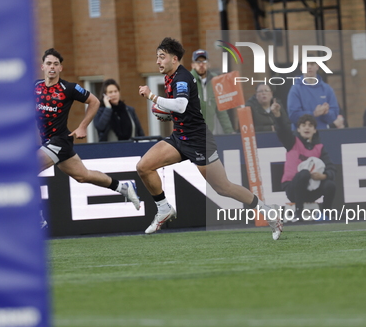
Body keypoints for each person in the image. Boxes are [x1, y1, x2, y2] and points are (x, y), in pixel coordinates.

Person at [136, 38, 283, 239]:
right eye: (157, 57)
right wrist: (164, 109)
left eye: (162, 57)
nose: (158, 61)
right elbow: (180, 109)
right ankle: (163, 208)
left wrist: (153, 98)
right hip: (180, 137)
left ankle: (268, 211)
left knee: (224, 188)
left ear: (175, 58)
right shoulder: (170, 76)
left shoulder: (182, 78)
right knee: (143, 166)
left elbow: (180, 105)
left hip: (199, 141)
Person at [35, 49, 140, 215]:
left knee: (30, 169)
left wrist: (83, 125)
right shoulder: (36, 87)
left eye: (56, 64)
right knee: (83, 176)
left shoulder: (68, 88)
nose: (52, 67)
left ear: (61, 68)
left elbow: (94, 101)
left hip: (59, 141)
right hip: (49, 142)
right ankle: (124, 187)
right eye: (49, 64)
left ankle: (36, 217)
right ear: (42, 66)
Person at [273, 109, 336, 221]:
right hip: (293, 189)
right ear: (298, 129)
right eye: (303, 125)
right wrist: (278, 116)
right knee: (304, 174)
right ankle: (299, 212)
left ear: (314, 130)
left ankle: (326, 214)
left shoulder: (319, 148)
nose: (307, 128)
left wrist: (324, 176)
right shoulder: (292, 142)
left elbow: (331, 168)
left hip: (312, 190)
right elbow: (282, 131)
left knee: (330, 184)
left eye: (310, 125)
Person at [190, 49, 234, 135]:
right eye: (198, 62)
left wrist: (229, 131)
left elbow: (222, 110)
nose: (201, 64)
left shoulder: (216, 81)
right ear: (193, 65)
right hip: (191, 133)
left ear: (209, 64)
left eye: (204, 61)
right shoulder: (187, 80)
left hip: (208, 133)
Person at [287, 62, 340, 130]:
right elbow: (293, 116)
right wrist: (313, 114)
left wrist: (326, 113)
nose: (309, 67)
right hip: (301, 136)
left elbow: (334, 114)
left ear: (317, 67)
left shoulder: (327, 89)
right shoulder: (295, 89)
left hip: (322, 134)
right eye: (306, 64)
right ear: (301, 68)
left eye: (312, 64)